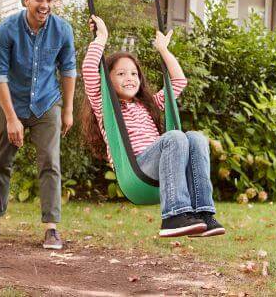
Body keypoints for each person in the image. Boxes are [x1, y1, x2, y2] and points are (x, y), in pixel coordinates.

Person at [81, 15, 224, 238]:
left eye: (134, 73)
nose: (129, 78)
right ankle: (173, 216)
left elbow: (178, 82)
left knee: (196, 137)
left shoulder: (148, 104)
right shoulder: (105, 105)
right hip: (136, 171)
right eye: (120, 74)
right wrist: (101, 37)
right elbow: (89, 71)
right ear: (107, 80)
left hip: (166, 166)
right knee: (175, 137)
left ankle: (204, 213)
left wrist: (163, 50)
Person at [0, 0, 77, 250]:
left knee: (50, 162)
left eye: (49, 0)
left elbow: (69, 70)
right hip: (11, 101)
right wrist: (11, 118)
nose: (45, 5)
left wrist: (68, 109)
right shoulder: (7, 29)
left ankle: (51, 229)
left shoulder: (62, 30)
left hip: (47, 104)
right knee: (0, 161)